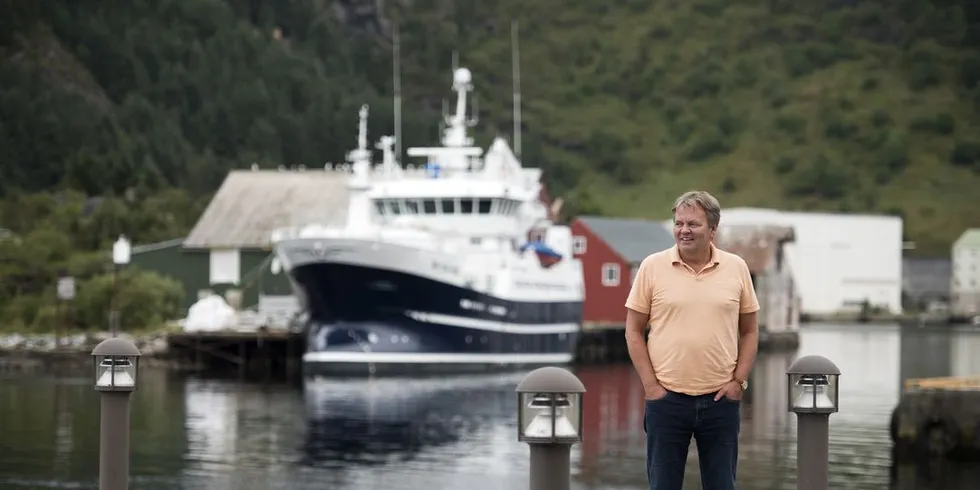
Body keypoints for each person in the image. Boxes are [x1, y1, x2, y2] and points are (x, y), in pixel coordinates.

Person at [624, 190, 759, 490]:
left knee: (722, 485)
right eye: (679, 223)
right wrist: (651, 387)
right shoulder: (652, 267)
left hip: (720, 401)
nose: (684, 230)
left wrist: (738, 382)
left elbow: (750, 331)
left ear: (712, 229)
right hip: (666, 400)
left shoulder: (736, 268)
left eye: (693, 224)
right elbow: (633, 330)